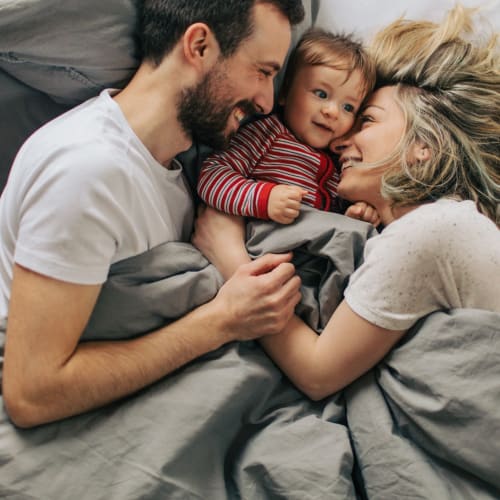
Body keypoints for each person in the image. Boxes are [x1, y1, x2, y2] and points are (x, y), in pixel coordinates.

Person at [0, 0, 306, 428]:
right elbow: (32, 393)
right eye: (264, 72)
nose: (267, 101)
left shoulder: (177, 164)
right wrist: (222, 321)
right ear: (198, 46)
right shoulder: (87, 172)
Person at [192, 5, 500, 400]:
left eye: (366, 119)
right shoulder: (425, 227)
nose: (339, 141)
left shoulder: (431, 230)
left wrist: (229, 256)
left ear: (425, 146)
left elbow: (318, 373)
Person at [197, 28, 379, 225]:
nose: (332, 112)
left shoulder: (340, 160)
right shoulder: (265, 135)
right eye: (321, 94)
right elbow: (211, 175)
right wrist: (265, 199)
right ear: (284, 93)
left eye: (348, 107)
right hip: (262, 237)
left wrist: (354, 214)